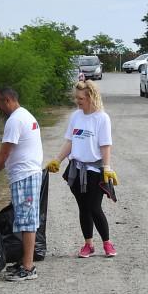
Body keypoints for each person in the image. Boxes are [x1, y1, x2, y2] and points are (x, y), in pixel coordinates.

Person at [0, 87, 43, 281]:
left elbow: (3, 154)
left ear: (8, 100)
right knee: (23, 218)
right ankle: (24, 260)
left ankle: (28, 267)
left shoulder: (15, 120)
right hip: (26, 174)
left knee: (27, 221)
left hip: (25, 175)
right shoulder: (25, 115)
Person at [45, 80, 118, 258]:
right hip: (76, 170)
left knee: (94, 207)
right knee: (83, 208)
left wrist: (107, 168)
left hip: (95, 170)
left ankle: (107, 243)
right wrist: (57, 160)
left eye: (81, 98)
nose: (78, 101)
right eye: (76, 98)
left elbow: (105, 145)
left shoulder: (102, 118)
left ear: (91, 97)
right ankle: (88, 244)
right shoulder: (75, 117)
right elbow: (70, 141)